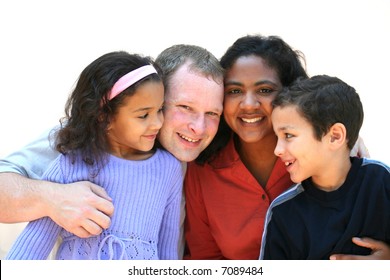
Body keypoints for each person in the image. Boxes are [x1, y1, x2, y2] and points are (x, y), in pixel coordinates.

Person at [0, 44, 224, 259]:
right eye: (185, 107)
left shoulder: (196, 160)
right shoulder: (84, 139)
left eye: (213, 113)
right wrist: (52, 198)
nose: (199, 127)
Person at [184, 34, 388, 260]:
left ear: (288, 94)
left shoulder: (331, 160)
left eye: (264, 90)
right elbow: (204, 261)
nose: (249, 104)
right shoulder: (201, 169)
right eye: (234, 91)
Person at [259, 75, 390, 260]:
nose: (277, 150)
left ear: (335, 136)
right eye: (277, 137)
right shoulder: (282, 213)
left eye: (288, 135)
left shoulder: (383, 183)